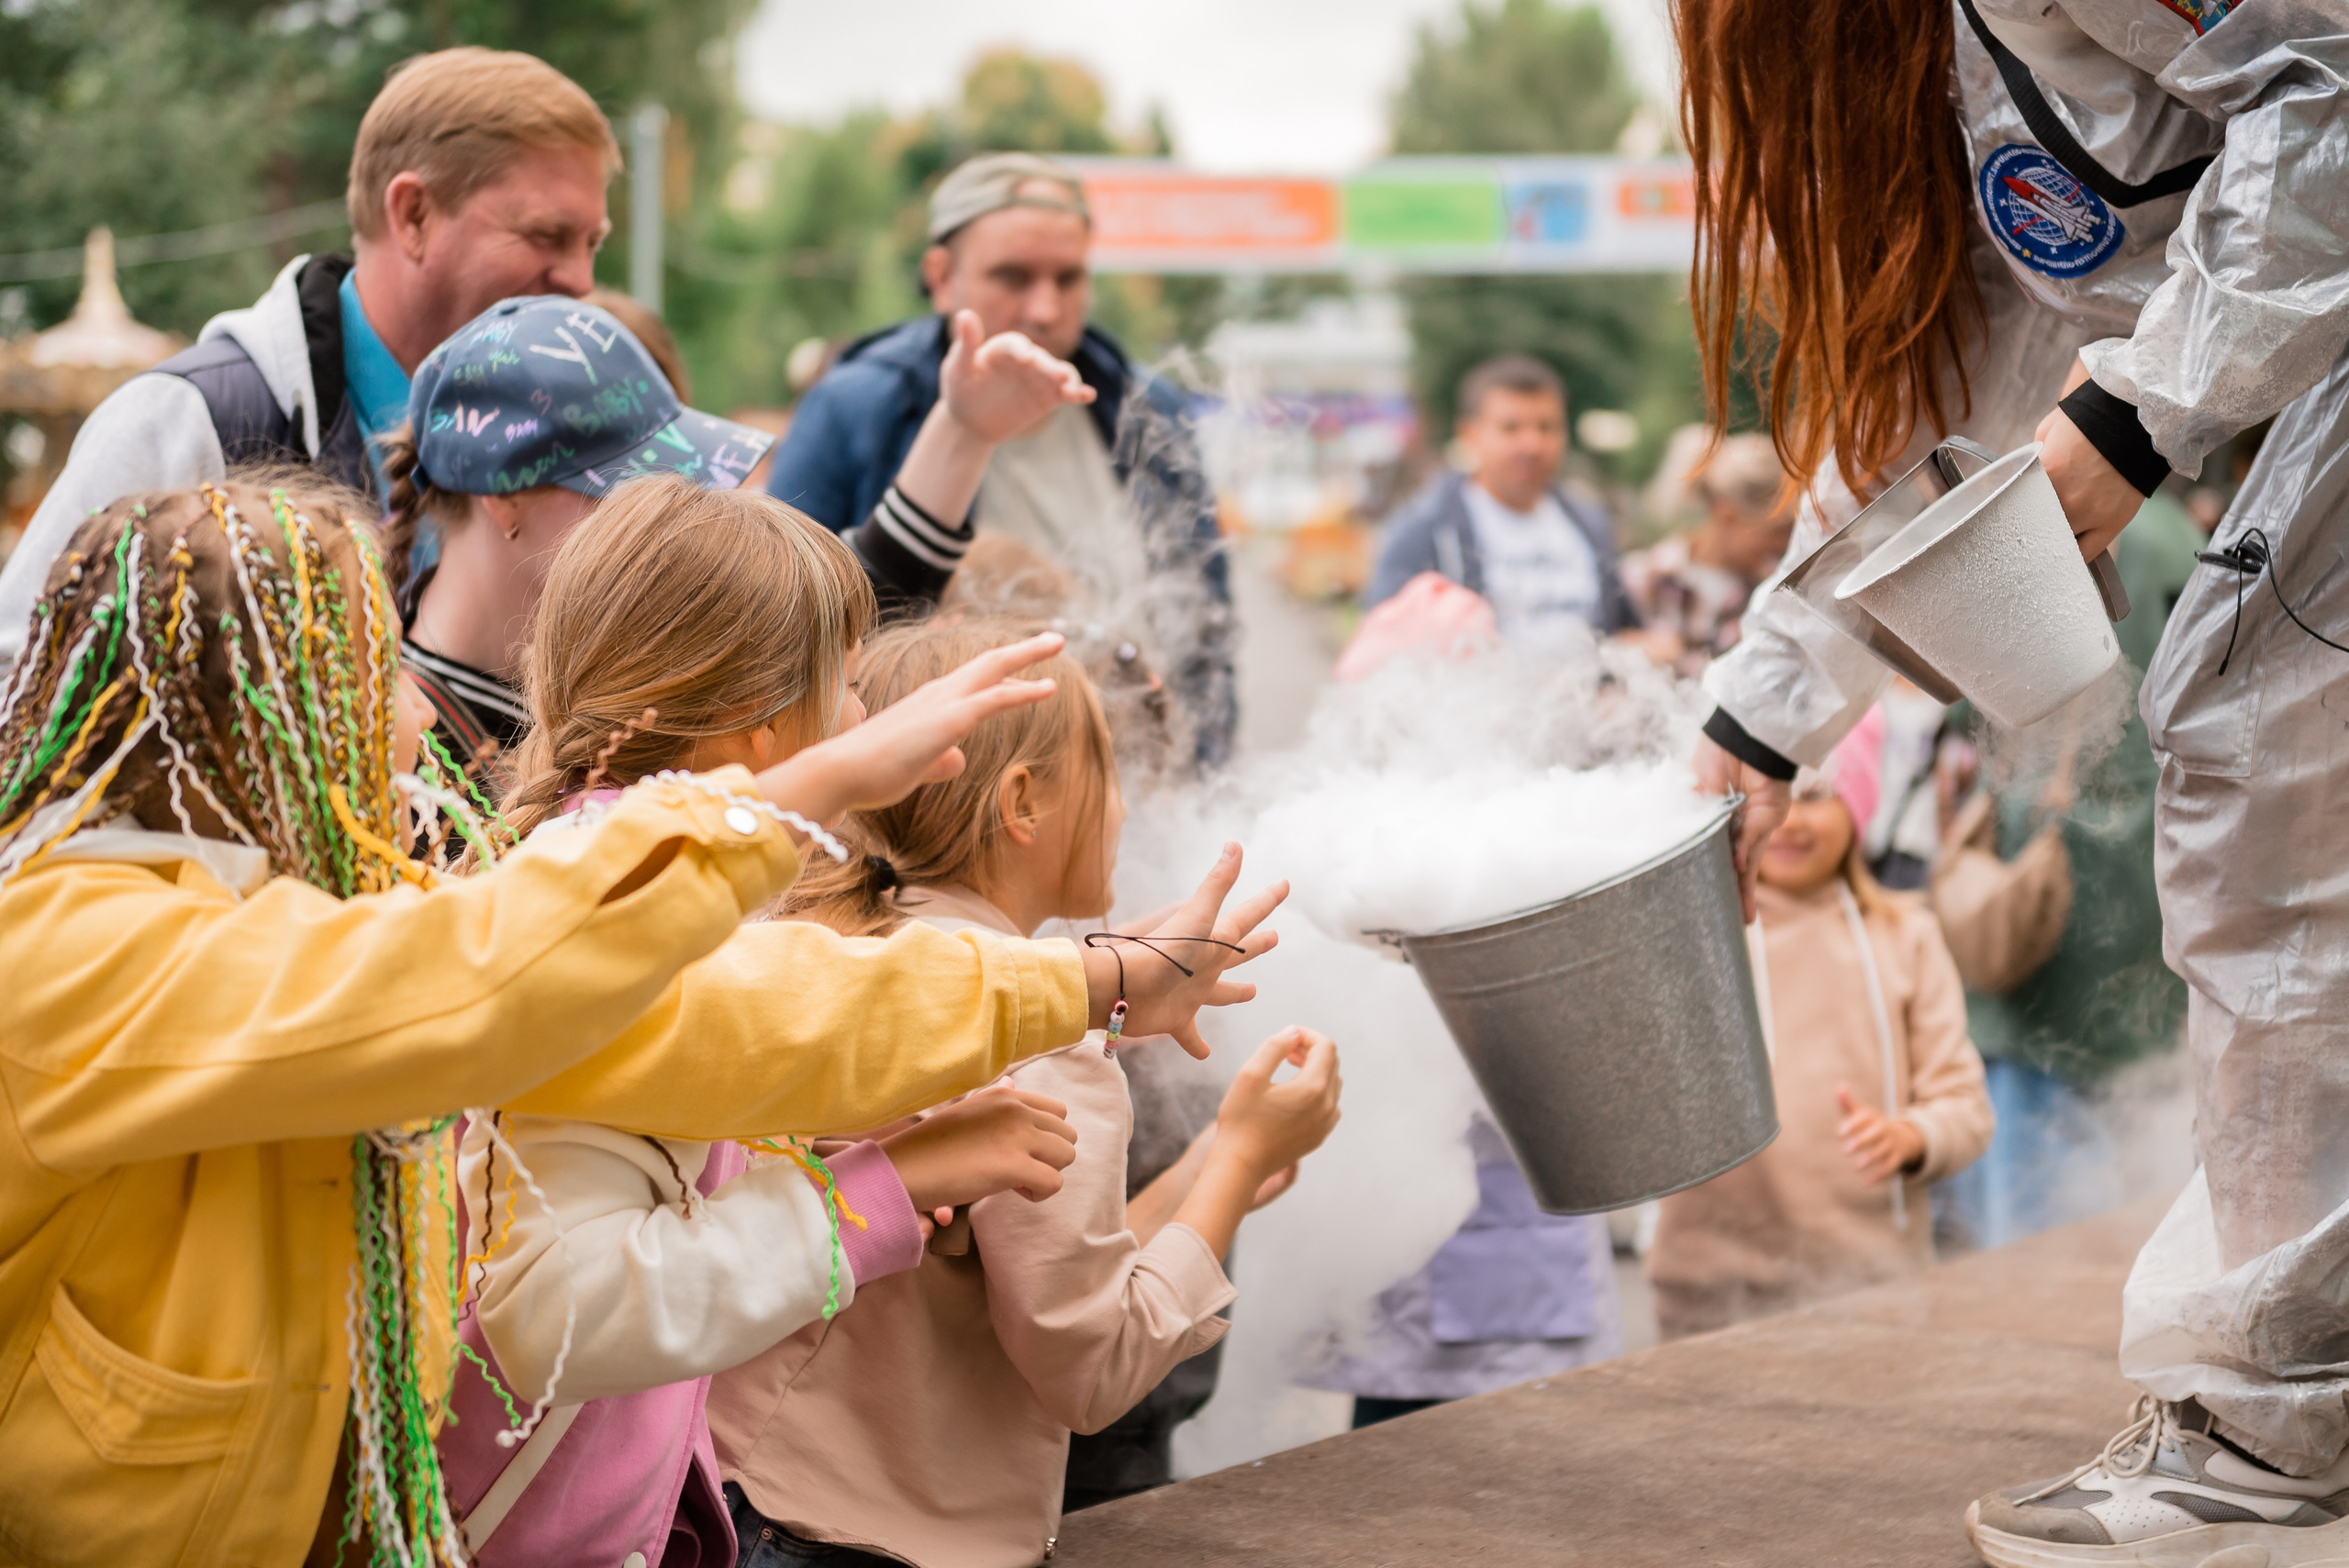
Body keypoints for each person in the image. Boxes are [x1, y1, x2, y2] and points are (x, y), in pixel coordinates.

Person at [0, 478, 1281, 1566]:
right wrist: (808, 799)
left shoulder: (309, 916)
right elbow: (495, 988)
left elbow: (754, 1019)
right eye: (365, 664)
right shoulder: (75, 943)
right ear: (261, 714)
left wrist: (1090, 982)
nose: (403, 701)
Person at [1672, 0, 2349, 1553]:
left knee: (2254, 751)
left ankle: (2272, 1435)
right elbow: (1937, 379)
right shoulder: (1924, 54)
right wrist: (1755, 723)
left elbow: (2331, 86)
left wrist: (2128, 416)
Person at [436, 489, 1097, 1564]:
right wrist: (883, 1189)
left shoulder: (613, 867)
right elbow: (570, 1309)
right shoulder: (620, 909)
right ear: (760, 723)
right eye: (838, 680)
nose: (857, 717)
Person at [714, 618, 1342, 1568]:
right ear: (1021, 803)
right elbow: (1089, 1365)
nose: (1126, 810)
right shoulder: (1041, 1045)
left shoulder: (836, 953)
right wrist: (1244, 1155)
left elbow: (1017, 1273)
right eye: (1111, 773)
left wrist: (1209, 1160)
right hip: (867, 1538)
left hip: (747, 1491)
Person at [0, 47, 618, 671]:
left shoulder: (550, 442)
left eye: (593, 243)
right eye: (547, 236)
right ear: (413, 214)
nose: (580, 279)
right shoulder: (197, 416)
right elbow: (19, 679)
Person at [763, 151, 1235, 762]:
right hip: (935, 800)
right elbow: (782, 624)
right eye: (1013, 277)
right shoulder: (857, 404)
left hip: (1134, 783)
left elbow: (1207, 622)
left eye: (1068, 278)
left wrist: (1204, 771)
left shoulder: (1149, 407)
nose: (1045, 308)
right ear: (939, 275)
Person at [1647, 710, 1994, 1337]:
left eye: (1817, 795)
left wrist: (1913, 1137)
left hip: (1872, 1288)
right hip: (1708, 1291)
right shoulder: (1686, 937)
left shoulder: (1906, 935)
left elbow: (1966, 1107)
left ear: (1858, 809)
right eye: (1770, 796)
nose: (1791, 819)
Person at [1938, 488, 2204, 1250]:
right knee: (2150, 1206)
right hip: (2157, 887)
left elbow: (1971, 705)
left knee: (2032, 1234)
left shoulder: (2031, 515)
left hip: (2041, 898)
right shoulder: (2181, 532)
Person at [377, 293, 775, 776]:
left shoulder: (627, 687)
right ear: (504, 496)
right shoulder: (397, 751)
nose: (664, 518)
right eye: (623, 486)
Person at [1364, 354, 1642, 654]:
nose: (1532, 445)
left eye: (1546, 427)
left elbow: (1623, 626)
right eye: (1511, 428)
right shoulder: (1425, 532)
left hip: (1586, 697)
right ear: (1469, 434)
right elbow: (1384, 647)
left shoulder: (1591, 523)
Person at [1619, 431, 1796, 673]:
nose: (1784, 544)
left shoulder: (1772, 595)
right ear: (1727, 515)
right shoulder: (1645, 579)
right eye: (1776, 532)